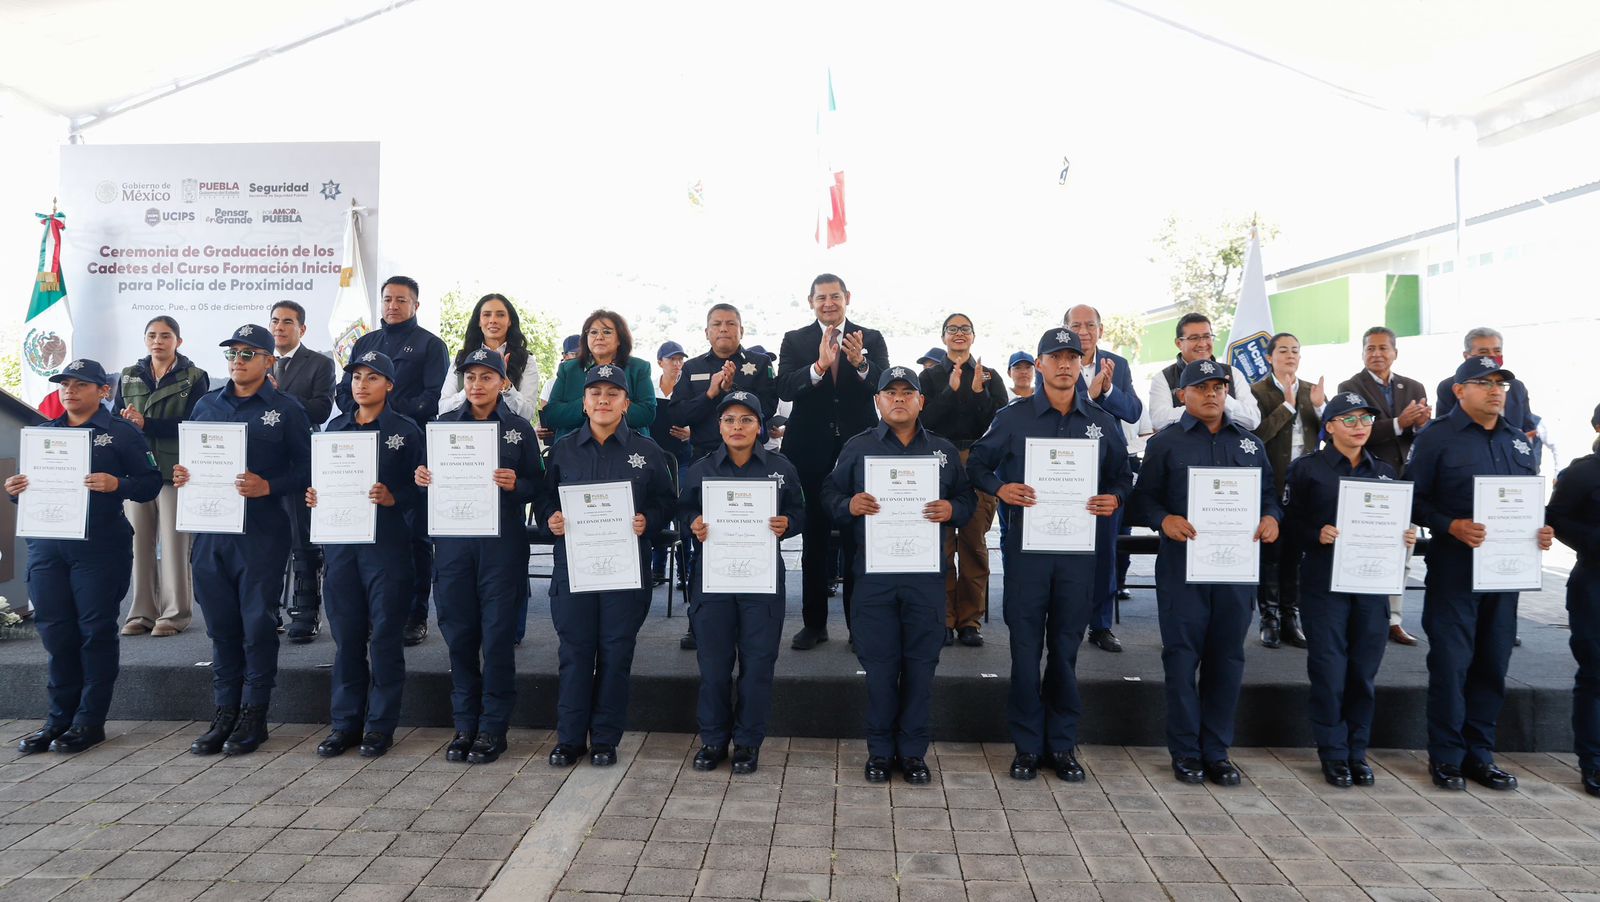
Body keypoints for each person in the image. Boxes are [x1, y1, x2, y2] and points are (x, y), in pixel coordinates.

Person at [968, 330, 1132, 781]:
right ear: (1038, 365)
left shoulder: (1100, 421)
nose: (1064, 365)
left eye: (1072, 358)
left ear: (1082, 365)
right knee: (1024, 651)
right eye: (1054, 357)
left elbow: (1122, 476)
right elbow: (977, 463)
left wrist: (1114, 498)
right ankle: (1026, 746)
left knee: (1064, 650)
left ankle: (1061, 745)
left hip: (1078, 555)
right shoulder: (1013, 418)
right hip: (1027, 554)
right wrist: (1001, 487)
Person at [1131, 359, 1281, 786]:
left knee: (1227, 660)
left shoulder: (1250, 445)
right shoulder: (1165, 445)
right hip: (1183, 571)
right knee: (1181, 661)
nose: (1212, 393)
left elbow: (1270, 497)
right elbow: (1142, 502)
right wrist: (1164, 520)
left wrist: (1272, 519)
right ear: (1183, 395)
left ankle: (1216, 751)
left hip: (1234, 573)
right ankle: (1185, 752)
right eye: (1202, 387)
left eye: (1219, 386)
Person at [1408, 356, 1553, 791]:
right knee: (1452, 665)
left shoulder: (1519, 442)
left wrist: (1542, 530)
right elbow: (1411, 501)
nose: (1496, 391)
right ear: (1459, 390)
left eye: (1501, 384)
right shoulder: (1436, 439)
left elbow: (1528, 503)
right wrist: (1450, 524)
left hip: (1506, 574)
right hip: (1455, 569)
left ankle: (1480, 755)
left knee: (1493, 663)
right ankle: (1447, 758)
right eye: (1484, 383)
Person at [824, 366, 975, 784]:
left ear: (921, 401)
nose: (899, 399)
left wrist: (953, 510)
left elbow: (966, 498)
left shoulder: (942, 450)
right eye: (890, 392)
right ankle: (879, 751)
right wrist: (849, 505)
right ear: (878, 401)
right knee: (879, 667)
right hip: (874, 578)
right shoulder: (857, 449)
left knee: (921, 667)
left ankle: (912, 753)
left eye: (908, 392)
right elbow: (829, 493)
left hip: (926, 578)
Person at [8, 359, 161, 754]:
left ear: (102, 391)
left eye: (80, 384)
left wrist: (117, 483)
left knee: (94, 633)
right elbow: (28, 491)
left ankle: (89, 722)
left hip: (99, 547)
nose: (69, 391)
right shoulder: (43, 435)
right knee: (56, 633)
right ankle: (57, 720)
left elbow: (148, 485)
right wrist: (15, 488)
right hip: (47, 547)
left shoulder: (122, 434)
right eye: (64, 384)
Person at [177, 325, 311, 756]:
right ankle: (224, 712)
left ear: (269, 361)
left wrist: (267, 486)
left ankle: (254, 714)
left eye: (249, 353)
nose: (238, 360)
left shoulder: (286, 410)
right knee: (221, 628)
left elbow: (308, 471)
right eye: (233, 353)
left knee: (257, 625)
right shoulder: (205, 405)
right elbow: (193, 462)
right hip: (211, 533)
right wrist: (184, 475)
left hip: (261, 535)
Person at [539, 365, 676, 768]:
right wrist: (551, 517)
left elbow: (667, 503)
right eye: (595, 392)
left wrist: (647, 521)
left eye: (613, 393)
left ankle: (604, 739)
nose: (603, 400)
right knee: (576, 652)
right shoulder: (562, 450)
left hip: (625, 573)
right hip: (574, 571)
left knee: (616, 654)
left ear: (626, 404)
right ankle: (568, 739)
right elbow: (545, 500)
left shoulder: (647, 452)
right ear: (583, 402)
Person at [414, 348, 544, 765]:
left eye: (487, 377)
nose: (477, 385)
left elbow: (538, 488)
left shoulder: (518, 430)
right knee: (460, 637)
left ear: (503, 383)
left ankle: (493, 728)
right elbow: (424, 485)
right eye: (470, 377)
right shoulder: (441, 428)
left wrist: (516, 484)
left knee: (498, 638)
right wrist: (421, 479)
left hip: (501, 548)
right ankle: (465, 724)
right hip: (453, 547)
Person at [1282, 393, 1416, 787]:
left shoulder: (1386, 473)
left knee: (1362, 671)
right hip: (1324, 585)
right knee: (1328, 669)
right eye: (1349, 419)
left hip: (1372, 587)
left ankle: (1358, 752)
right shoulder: (1307, 470)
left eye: (1365, 419)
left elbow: (1397, 524)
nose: (1359, 427)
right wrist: (1315, 533)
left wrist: (1406, 534)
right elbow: (1286, 525)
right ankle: (1333, 752)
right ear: (1331, 426)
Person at [680, 391, 805, 774]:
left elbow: (800, 511)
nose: (737, 427)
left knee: (758, 665)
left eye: (746, 420)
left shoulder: (781, 468)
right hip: (714, 582)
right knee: (714, 666)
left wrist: (789, 525)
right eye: (730, 420)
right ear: (719, 426)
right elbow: (684, 508)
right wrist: (692, 524)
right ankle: (714, 740)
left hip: (762, 583)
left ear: (760, 427)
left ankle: (748, 743)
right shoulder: (702, 469)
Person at [308, 352, 422, 758]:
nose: (362, 384)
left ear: (389, 385)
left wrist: (396, 497)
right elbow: (318, 481)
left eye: (373, 377)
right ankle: (345, 724)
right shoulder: (333, 430)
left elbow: (424, 494)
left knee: (386, 639)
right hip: (340, 549)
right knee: (347, 639)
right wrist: (314, 495)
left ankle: (379, 726)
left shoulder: (405, 432)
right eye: (356, 377)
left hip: (386, 551)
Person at [776, 273, 889, 650]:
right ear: (810, 302)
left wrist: (860, 365)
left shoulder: (869, 338)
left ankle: (860, 628)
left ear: (847, 298)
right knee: (815, 542)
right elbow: (786, 388)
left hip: (859, 454)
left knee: (859, 542)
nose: (828, 303)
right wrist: (820, 367)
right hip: (809, 453)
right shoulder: (796, 340)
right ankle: (814, 624)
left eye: (835, 296)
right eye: (821, 297)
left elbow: (881, 387)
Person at [336, 276, 450, 648]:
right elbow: (343, 391)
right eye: (387, 299)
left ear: (416, 304)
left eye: (401, 300)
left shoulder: (431, 345)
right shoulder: (366, 343)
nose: (393, 306)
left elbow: (433, 397)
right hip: (355, 447)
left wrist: (387, 414)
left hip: (408, 447)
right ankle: (370, 614)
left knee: (414, 537)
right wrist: (363, 411)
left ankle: (415, 615)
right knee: (361, 534)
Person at [1337, 326, 1430, 646]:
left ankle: (1393, 619)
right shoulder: (1350, 386)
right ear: (1362, 353)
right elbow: (1355, 430)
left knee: (1402, 551)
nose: (1376, 354)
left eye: (1382, 348)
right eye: (1370, 348)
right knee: (1364, 545)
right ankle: (1360, 614)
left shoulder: (1414, 386)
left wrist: (1421, 425)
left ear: (1395, 352)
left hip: (1405, 480)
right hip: (1367, 479)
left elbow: (1421, 436)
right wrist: (1399, 424)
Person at [116, 316, 208, 638]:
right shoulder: (129, 376)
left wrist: (146, 424)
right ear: (145, 340)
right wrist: (127, 423)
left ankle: (175, 614)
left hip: (174, 471)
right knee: (139, 543)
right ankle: (141, 612)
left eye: (165, 336)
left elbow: (194, 425)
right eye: (152, 335)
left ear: (178, 342)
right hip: (136, 471)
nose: (158, 341)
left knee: (173, 545)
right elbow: (116, 423)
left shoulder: (195, 376)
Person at [918, 313, 1006, 648]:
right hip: (937, 463)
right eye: (952, 329)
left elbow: (997, 424)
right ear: (943, 337)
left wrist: (978, 392)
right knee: (941, 547)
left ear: (973, 336)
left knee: (973, 544)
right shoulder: (927, 378)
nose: (959, 334)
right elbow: (921, 421)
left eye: (964, 329)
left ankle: (970, 620)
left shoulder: (990, 375)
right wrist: (950, 391)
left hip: (977, 463)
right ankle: (942, 618)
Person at [1065, 305, 1145, 655]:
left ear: (1100, 329)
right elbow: (1056, 409)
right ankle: (1066, 621)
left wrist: (1108, 392)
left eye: (1090, 325)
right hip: (1066, 470)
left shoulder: (1117, 364)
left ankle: (1101, 625)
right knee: (1066, 550)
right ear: (1065, 328)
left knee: (1105, 551)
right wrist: (1090, 395)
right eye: (1076, 325)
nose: (1084, 331)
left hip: (1108, 467)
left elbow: (1133, 411)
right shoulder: (1056, 359)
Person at [267, 300, 337, 643]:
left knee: (302, 539)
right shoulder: (257, 359)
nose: (279, 327)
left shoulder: (320, 363)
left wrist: (281, 397)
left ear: (302, 329)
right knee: (266, 540)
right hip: (264, 463)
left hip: (301, 460)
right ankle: (269, 610)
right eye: (275, 321)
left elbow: (322, 408)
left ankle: (305, 612)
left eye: (287, 322)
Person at [1250, 332, 1326, 649]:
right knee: (1271, 554)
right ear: (1269, 357)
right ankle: (1268, 619)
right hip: (1270, 484)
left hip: (1304, 488)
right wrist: (1285, 407)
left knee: (1295, 555)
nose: (1290, 355)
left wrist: (1321, 408)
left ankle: (1290, 618)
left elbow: (1330, 434)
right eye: (1283, 350)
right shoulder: (1256, 391)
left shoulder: (1312, 390)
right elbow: (1256, 437)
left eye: (1295, 350)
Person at [1547, 403, 1600, 797]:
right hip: (1593, 585)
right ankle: (1593, 762)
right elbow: (1556, 518)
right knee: (1596, 675)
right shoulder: (1581, 473)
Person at [672, 304, 780, 463]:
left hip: (750, 457)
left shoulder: (761, 363)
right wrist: (709, 395)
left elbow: (767, 408)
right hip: (705, 458)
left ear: (741, 331)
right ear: (706, 333)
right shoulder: (691, 367)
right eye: (716, 324)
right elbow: (677, 416)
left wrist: (731, 390)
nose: (723, 329)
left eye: (731, 323)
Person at [542, 309, 655, 443]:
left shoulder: (638, 368)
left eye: (607, 332)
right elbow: (552, 415)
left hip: (627, 447)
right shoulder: (568, 369)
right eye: (593, 332)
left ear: (620, 338)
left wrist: (610, 407)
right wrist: (589, 404)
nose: (599, 337)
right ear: (586, 338)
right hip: (573, 449)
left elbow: (647, 413)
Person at [1146, 313, 1261, 431]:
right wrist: (1206, 407)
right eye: (1194, 338)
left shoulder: (1232, 372)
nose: (1202, 344)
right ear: (1179, 343)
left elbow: (1253, 420)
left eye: (1207, 336)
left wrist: (1223, 398)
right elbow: (1159, 420)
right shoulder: (1163, 378)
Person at [439, 293, 542, 422]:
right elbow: (443, 409)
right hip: (466, 434)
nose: (493, 320)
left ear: (510, 321)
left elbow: (527, 414)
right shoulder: (461, 358)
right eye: (487, 314)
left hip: (508, 435)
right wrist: (472, 388)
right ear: (478, 321)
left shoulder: (525, 360)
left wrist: (506, 386)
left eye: (500, 315)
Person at [1433, 327, 1538, 441]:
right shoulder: (1449, 387)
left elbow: (1528, 428)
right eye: (1483, 352)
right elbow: (1443, 431)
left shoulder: (1517, 386)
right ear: (1466, 356)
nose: (1492, 356)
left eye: (1497, 351)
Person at [652, 340, 693, 592]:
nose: (677, 364)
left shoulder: (688, 388)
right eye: (672, 359)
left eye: (680, 360)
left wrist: (692, 432)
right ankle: (658, 567)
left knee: (684, 510)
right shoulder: (648, 389)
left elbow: (701, 417)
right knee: (658, 509)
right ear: (660, 362)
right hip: (656, 458)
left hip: (684, 457)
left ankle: (684, 569)